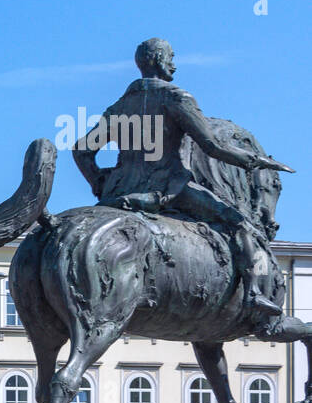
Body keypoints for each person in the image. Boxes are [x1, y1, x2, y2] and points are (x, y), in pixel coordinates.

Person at [73, 37, 293, 324]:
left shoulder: (119, 107)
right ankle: (254, 293)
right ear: (157, 60)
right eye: (171, 57)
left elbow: (82, 150)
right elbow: (213, 147)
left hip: (121, 192)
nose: (174, 64)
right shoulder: (176, 98)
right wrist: (255, 161)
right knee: (241, 225)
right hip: (170, 188)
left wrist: (100, 183)